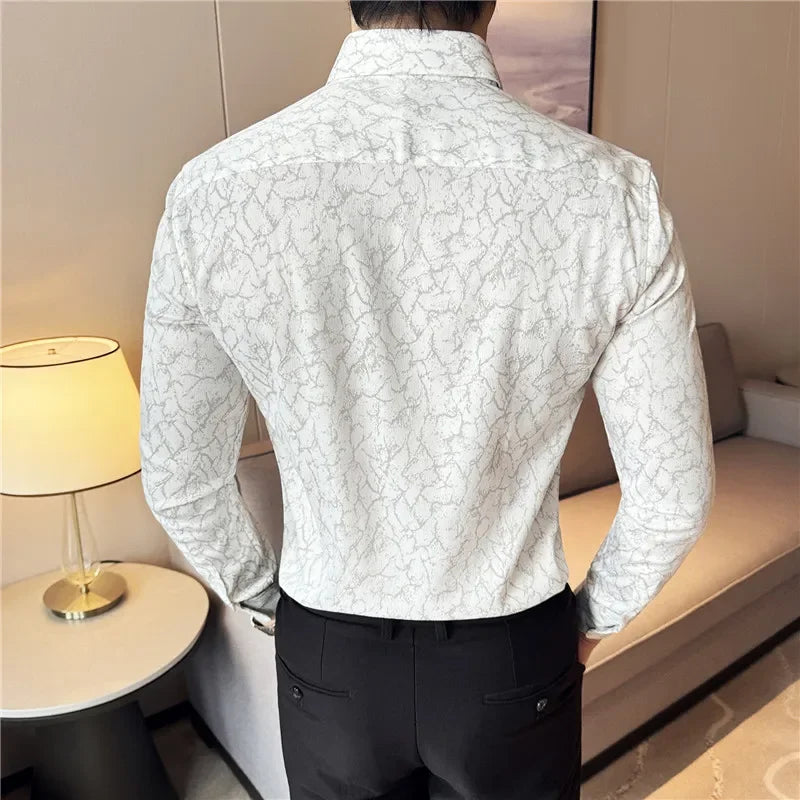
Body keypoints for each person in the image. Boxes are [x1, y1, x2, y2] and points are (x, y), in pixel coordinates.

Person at [139, 1, 716, 797]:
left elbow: (180, 480)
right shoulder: (613, 192)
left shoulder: (215, 191)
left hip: (328, 653)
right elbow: (674, 494)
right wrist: (587, 625)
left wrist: (273, 606)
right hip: (512, 655)